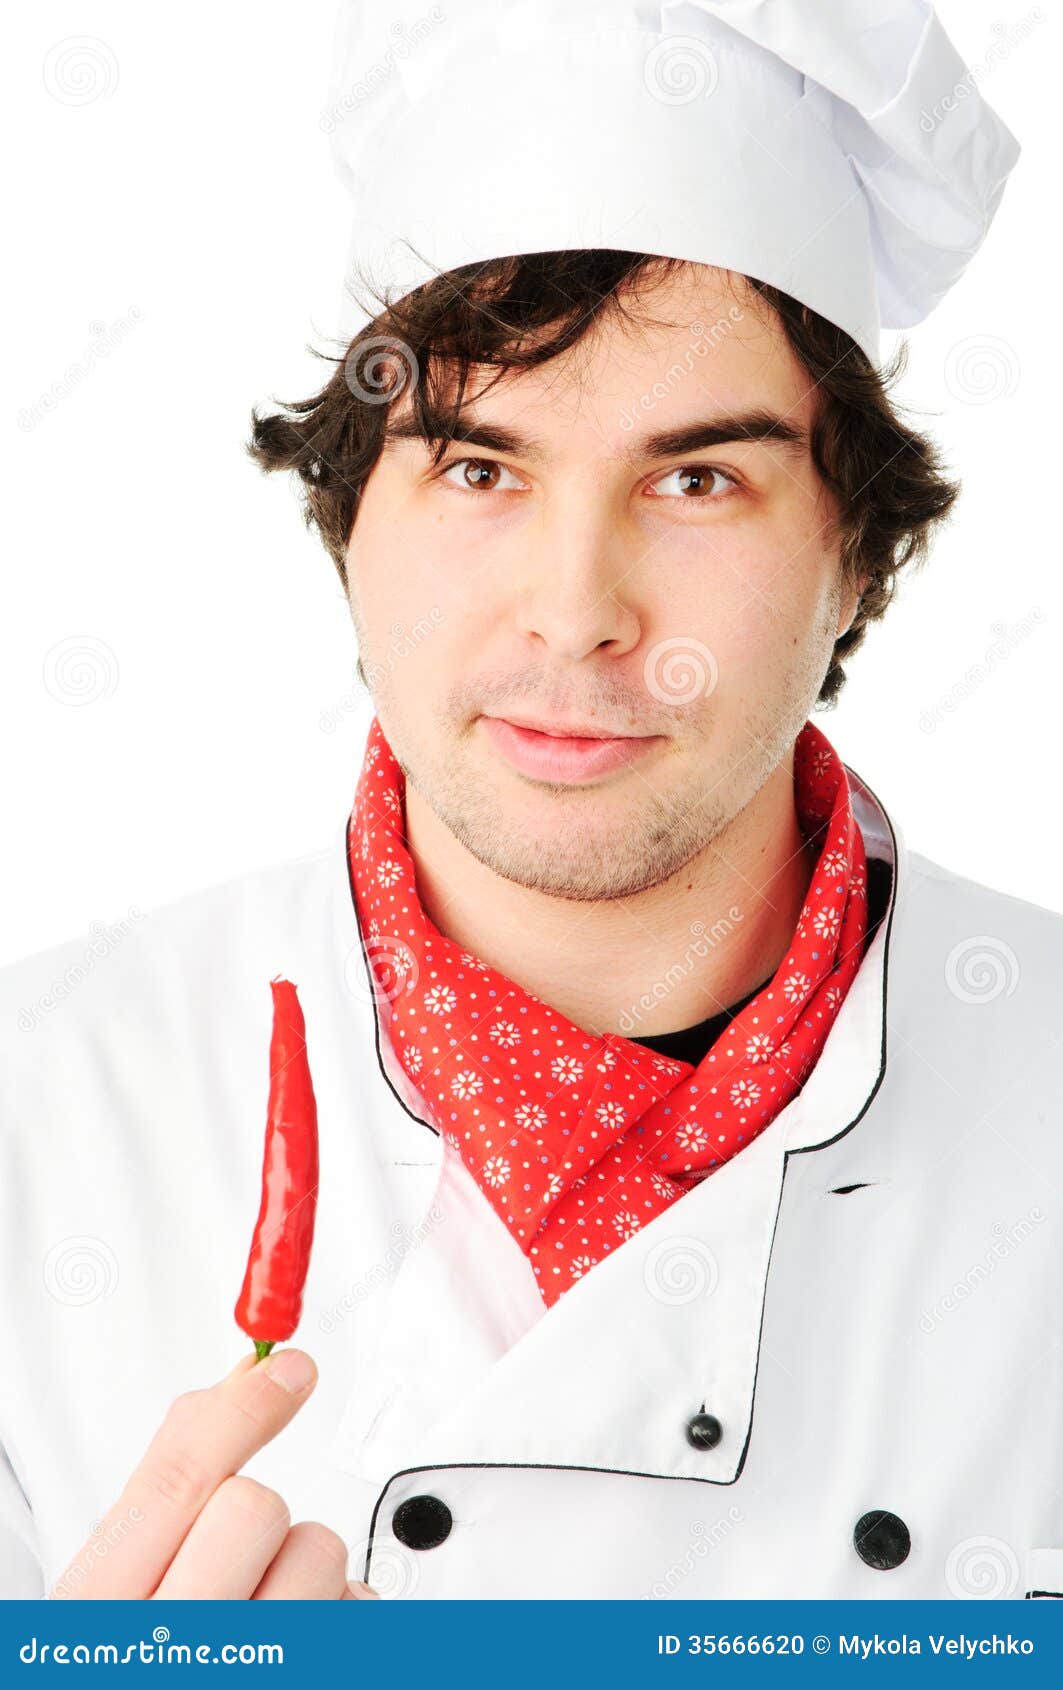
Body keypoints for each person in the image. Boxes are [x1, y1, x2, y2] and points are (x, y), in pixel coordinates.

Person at [2, 0, 1060, 1602]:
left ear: (852, 546)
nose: (577, 613)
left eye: (697, 476)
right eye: (481, 468)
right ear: (349, 522)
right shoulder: (42, 1122)